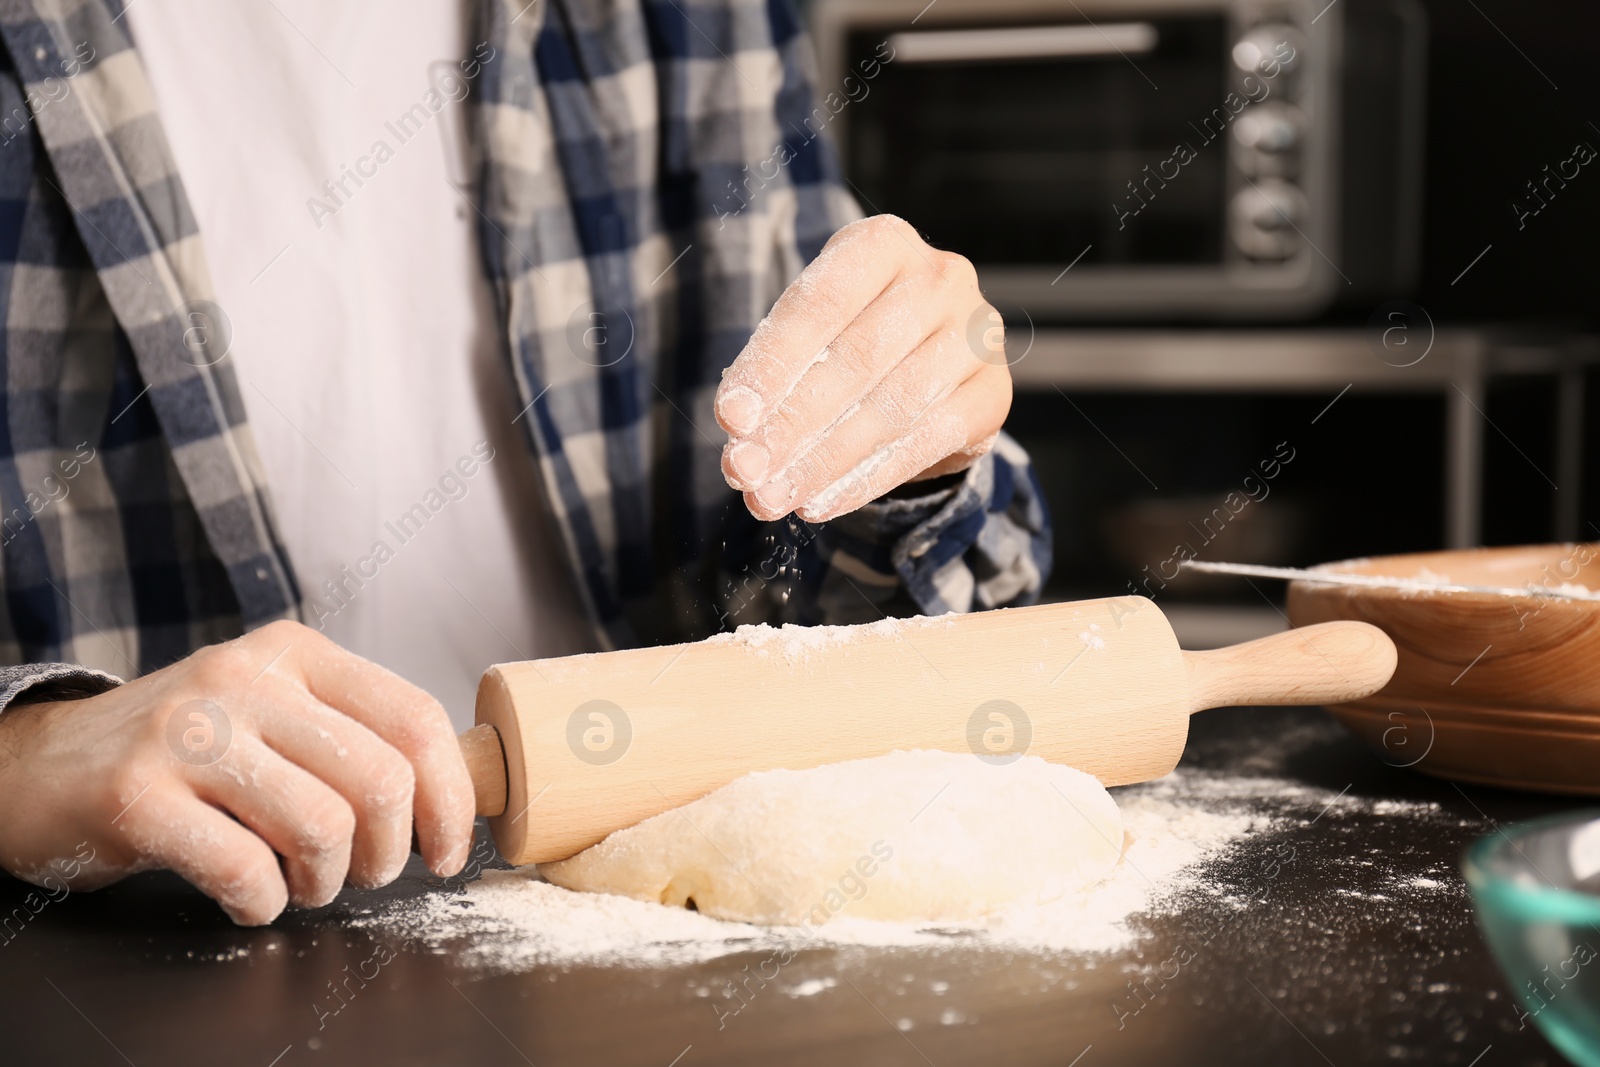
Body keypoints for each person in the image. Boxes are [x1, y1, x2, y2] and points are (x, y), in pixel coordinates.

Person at [0, 0, 1049, 924]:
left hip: (646, 949)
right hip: (135, 963)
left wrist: (909, 460)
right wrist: (26, 762)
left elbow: (824, 608)